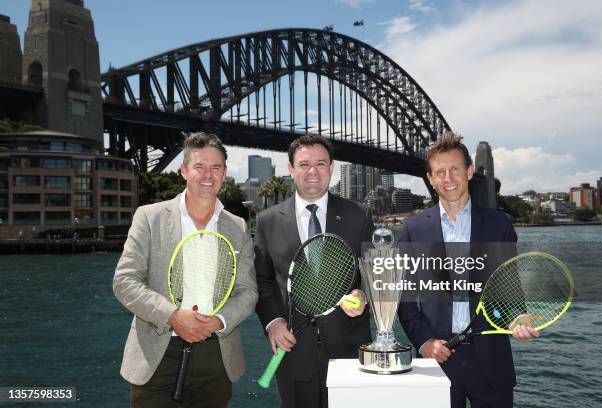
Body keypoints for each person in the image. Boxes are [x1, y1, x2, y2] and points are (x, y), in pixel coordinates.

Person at [113, 132, 258, 408]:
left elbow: (247, 292)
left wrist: (219, 321)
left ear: (224, 173)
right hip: (157, 352)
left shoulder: (238, 227)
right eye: (199, 167)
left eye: (215, 168)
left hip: (216, 355)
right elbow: (125, 281)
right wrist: (172, 316)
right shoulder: (149, 216)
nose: (208, 175)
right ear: (183, 171)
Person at [397, 131, 538, 408]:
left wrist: (519, 318)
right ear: (430, 178)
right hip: (438, 359)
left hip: (491, 361)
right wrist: (424, 342)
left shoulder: (500, 225)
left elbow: (508, 288)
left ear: (470, 171)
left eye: (455, 169)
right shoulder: (414, 230)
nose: (448, 179)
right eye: (440, 172)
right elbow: (404, 297)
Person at [254, 134, 374, 408]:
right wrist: (273, 323)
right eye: (304, 163)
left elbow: (374, 273)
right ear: (291, 169)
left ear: (331, 168)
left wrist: (364, 295)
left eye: (321, 163)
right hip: (292, 352)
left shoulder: (359, 215)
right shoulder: (267, 221)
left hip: (349, 351)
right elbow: (263, 282)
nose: (312, 171)